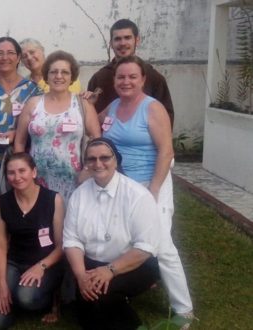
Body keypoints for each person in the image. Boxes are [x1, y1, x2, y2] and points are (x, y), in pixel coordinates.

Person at [102, 55, 194, 322]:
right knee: (126, 239)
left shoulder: (152, 108)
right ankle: (132, 286)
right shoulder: (113, 106)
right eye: (121, 77)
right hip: (123, 185)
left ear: (143, 80)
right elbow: (92, 124)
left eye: (132, 77)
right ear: (114, 80)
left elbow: (166, 152)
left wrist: (153, 191)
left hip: (151, 182)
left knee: (161, 244)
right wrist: (81, 102)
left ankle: (184, 309)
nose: (126, 81)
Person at [63, 138, 161, 329]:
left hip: (133, 265)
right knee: (88, 308)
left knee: (102, 297)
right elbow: (71, 239)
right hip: (90, 265)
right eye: (91, 159)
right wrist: (82, 276)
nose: (98, 164)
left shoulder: (138, 195)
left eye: (104, 158)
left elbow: (145, 247)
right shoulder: (79, 195)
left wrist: (109, 270)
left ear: (116, 160)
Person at [0, 37, 42, 284]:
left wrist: (17, 135)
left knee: (22, 208)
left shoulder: (33, 89)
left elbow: (41, 119)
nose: (4, 57)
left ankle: (19, 259)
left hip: (21, 159)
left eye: (10, 52)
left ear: (18, 57)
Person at [0, 153, 65, 329]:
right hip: (14, 263)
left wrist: (41, 266)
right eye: (11, 173)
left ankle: (52, 298)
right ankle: (14, 296)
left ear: (34, 172)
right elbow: (0, 246)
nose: (17, 177)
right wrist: (1, 284)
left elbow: (61, 246)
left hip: (46, 263)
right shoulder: (3, 203)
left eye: (22, 171)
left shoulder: (53, 199)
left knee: (27, 298)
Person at [14, 50, 101, 202]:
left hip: (75, 181)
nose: (59, 76)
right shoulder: (33, 103)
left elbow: (96, 140)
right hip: (36, 182)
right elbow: (20, 142)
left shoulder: (83, 104)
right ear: (46, 76)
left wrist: (88, 169)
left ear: (72, 77)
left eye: (65, 72)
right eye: (53, 72)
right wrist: (20, 172)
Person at [87, 19, 174, 128]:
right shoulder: (99, 78)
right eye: (117, 39)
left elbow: (167, 118)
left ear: (137, 40)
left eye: (127, 38)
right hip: (106, 142)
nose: (123, 43)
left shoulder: (154, 78)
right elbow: (90, 116)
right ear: (111, 44)